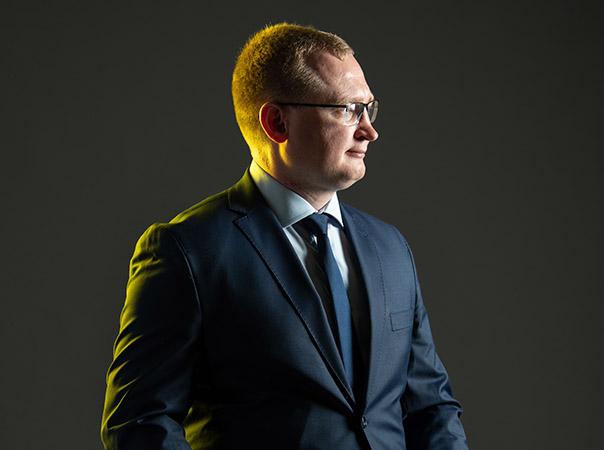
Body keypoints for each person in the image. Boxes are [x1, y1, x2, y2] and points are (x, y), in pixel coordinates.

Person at [101, 23, 468, 450]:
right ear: (277, 122)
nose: (369, 130)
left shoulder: (390, 248)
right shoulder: (188, 251)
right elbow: (139, 423)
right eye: (348, 109)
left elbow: (431, 408)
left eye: (369, 108)